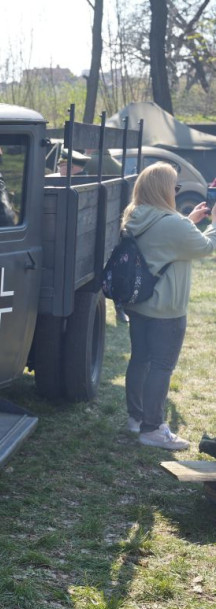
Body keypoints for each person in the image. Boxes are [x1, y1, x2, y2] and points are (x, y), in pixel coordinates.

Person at [121, 162, 216, 450]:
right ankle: (153, 428)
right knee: (162, 367)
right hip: (167, 310)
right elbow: (205, 247)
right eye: (174, 187)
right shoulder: (172, 223)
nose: (177, 192)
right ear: (163, 190)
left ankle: (136, 418)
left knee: (140, 359)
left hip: (140, 304)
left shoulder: (135, 215)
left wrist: (189, 220)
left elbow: (168, 236)